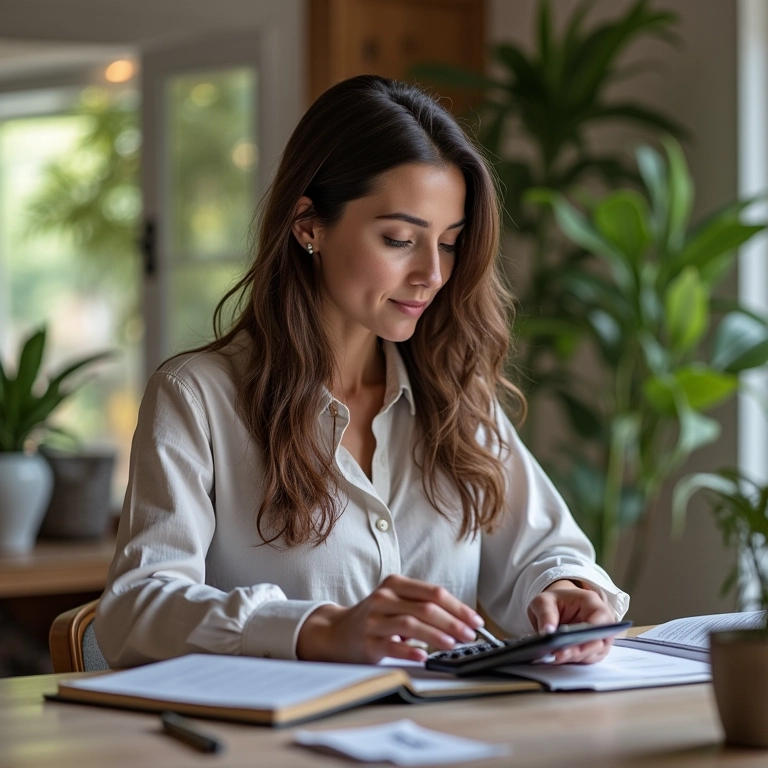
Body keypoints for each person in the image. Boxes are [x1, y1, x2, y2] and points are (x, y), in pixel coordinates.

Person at [95, 75, 628, 669]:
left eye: (449, 243)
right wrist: (316, 629)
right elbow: (134, 610)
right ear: (308, 225)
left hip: (443, 725)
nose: (432, 274)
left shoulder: (454, 396)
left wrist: (566, 592)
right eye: (399, 239)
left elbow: (545, 551)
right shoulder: (197, 399)